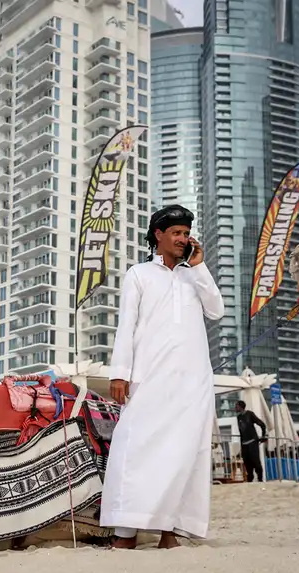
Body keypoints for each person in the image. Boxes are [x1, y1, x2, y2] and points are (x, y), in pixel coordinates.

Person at [100, 204, 225, 550]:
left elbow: (216, 310)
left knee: (183, 454)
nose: (183, 239)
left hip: (193, 381)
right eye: (177, 233)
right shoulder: (139, 274)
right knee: (135, 449)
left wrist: (199, 268)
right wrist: (120, 373)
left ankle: (170, 531)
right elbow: (126, 326)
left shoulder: (194, 275)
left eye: (186, 233)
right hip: (149, 376)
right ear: (159, 235)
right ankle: (126, 532)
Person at [235, 400, 268, 483]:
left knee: (256, 461)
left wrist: (263, 435)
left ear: (241, 406)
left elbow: (262, 424)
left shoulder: (250, 414)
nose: (235, 408)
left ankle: (260, 479)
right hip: (244, 444)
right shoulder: (238, 417)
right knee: (247, 462)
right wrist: (241, 447)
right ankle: (250, 479)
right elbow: (241, 432)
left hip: (252, 442)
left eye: (236, 406)